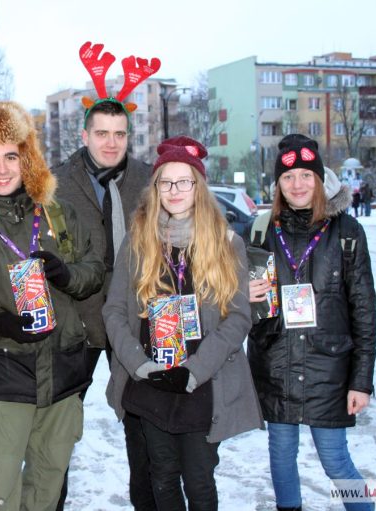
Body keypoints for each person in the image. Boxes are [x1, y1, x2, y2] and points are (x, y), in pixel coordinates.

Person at [0, 100, 105, 511]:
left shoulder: (59, 213)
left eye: (11, 156)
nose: (2, 169)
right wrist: (1, 322)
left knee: (46, 490)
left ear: (27, 158)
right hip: (5, 373)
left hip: (63, 372)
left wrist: (66, 275)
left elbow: (94, 271)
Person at [104, 136, 263, 511]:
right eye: (166, 182)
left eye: (184, 181)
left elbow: (238, 317)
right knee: (161, 475)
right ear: (155, 188)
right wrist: (140, 365)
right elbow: (113, 311)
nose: (174, 190)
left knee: (199, 481)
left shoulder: (226, 243)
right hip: (152, 381)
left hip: (202, 384)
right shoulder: (138, 241)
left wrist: (195, 371)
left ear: (199, 187)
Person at [51, 42, 157, 511]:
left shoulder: (150, 180)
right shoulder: (56, 182)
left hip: (133, 319)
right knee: (58, 427)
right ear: (85, 134)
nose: (110, 143)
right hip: (74, 320)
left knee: (143, 425)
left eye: (119, 134)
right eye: (101, 133)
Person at [247, 134, 376, 511]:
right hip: (276, 365)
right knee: (281, 457)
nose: (298, 184)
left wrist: (361, 380)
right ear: (278, 184)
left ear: (321, 179)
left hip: (329, 369)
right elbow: (237, 299)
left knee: (335, 460)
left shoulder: (347, 232)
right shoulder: (260, 231)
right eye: (288, 177)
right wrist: (243, 292)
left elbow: (364, 311)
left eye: (306, 175)